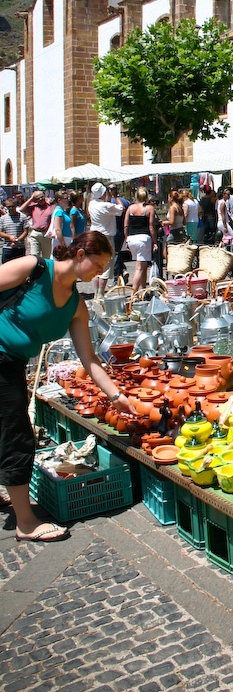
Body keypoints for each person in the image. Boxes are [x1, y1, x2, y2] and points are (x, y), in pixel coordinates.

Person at [0, 231, 134, 542]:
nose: (99, 272)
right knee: (17, 435)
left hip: (12, 362)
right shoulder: (34, 268)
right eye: (98, 265)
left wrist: (116, 396)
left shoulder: (76, 305)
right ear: (80, 254)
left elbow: (90, 360)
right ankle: (26, 523)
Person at [86, 183, 122, 298]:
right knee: (106, 264)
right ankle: (101, 292)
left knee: (95, 263)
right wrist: (115, 196)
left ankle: (96, 292)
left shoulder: (91, 204)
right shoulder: (106, 206)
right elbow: (121, 209)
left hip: (94, 235)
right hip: (106, 236)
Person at [123, 187, 157, 292]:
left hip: (131, 238)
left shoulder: (130, 208)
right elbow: (151, 226)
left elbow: (126, 225)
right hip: (143, 238)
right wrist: (155, 242)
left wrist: (126, 239)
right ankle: (134, 293)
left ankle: (143, 290)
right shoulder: (149, 208)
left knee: (143, 265)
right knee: (139, 268)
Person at [18, 190, 55, 259]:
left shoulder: (51, 207)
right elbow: (21, 209)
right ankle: (36, 266)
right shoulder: (33, 207)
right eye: (38, 198)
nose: (40, 199)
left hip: (46, 234)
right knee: (34, 256)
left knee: (47, 256)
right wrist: (31, 198)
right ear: (35, 200)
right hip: (35, 233)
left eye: (42, 197)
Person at [0, 197, 30, 264]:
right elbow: (0, 232)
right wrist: (9, 237)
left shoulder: (23, 217)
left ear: (16, 206)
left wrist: (17, 240)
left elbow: (25, 232)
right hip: (7, 247)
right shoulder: (3, 218)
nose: (11, 208)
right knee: (6, 267)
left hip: (20, 247)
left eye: (12, 206)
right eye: (9, 207)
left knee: (20, 267)